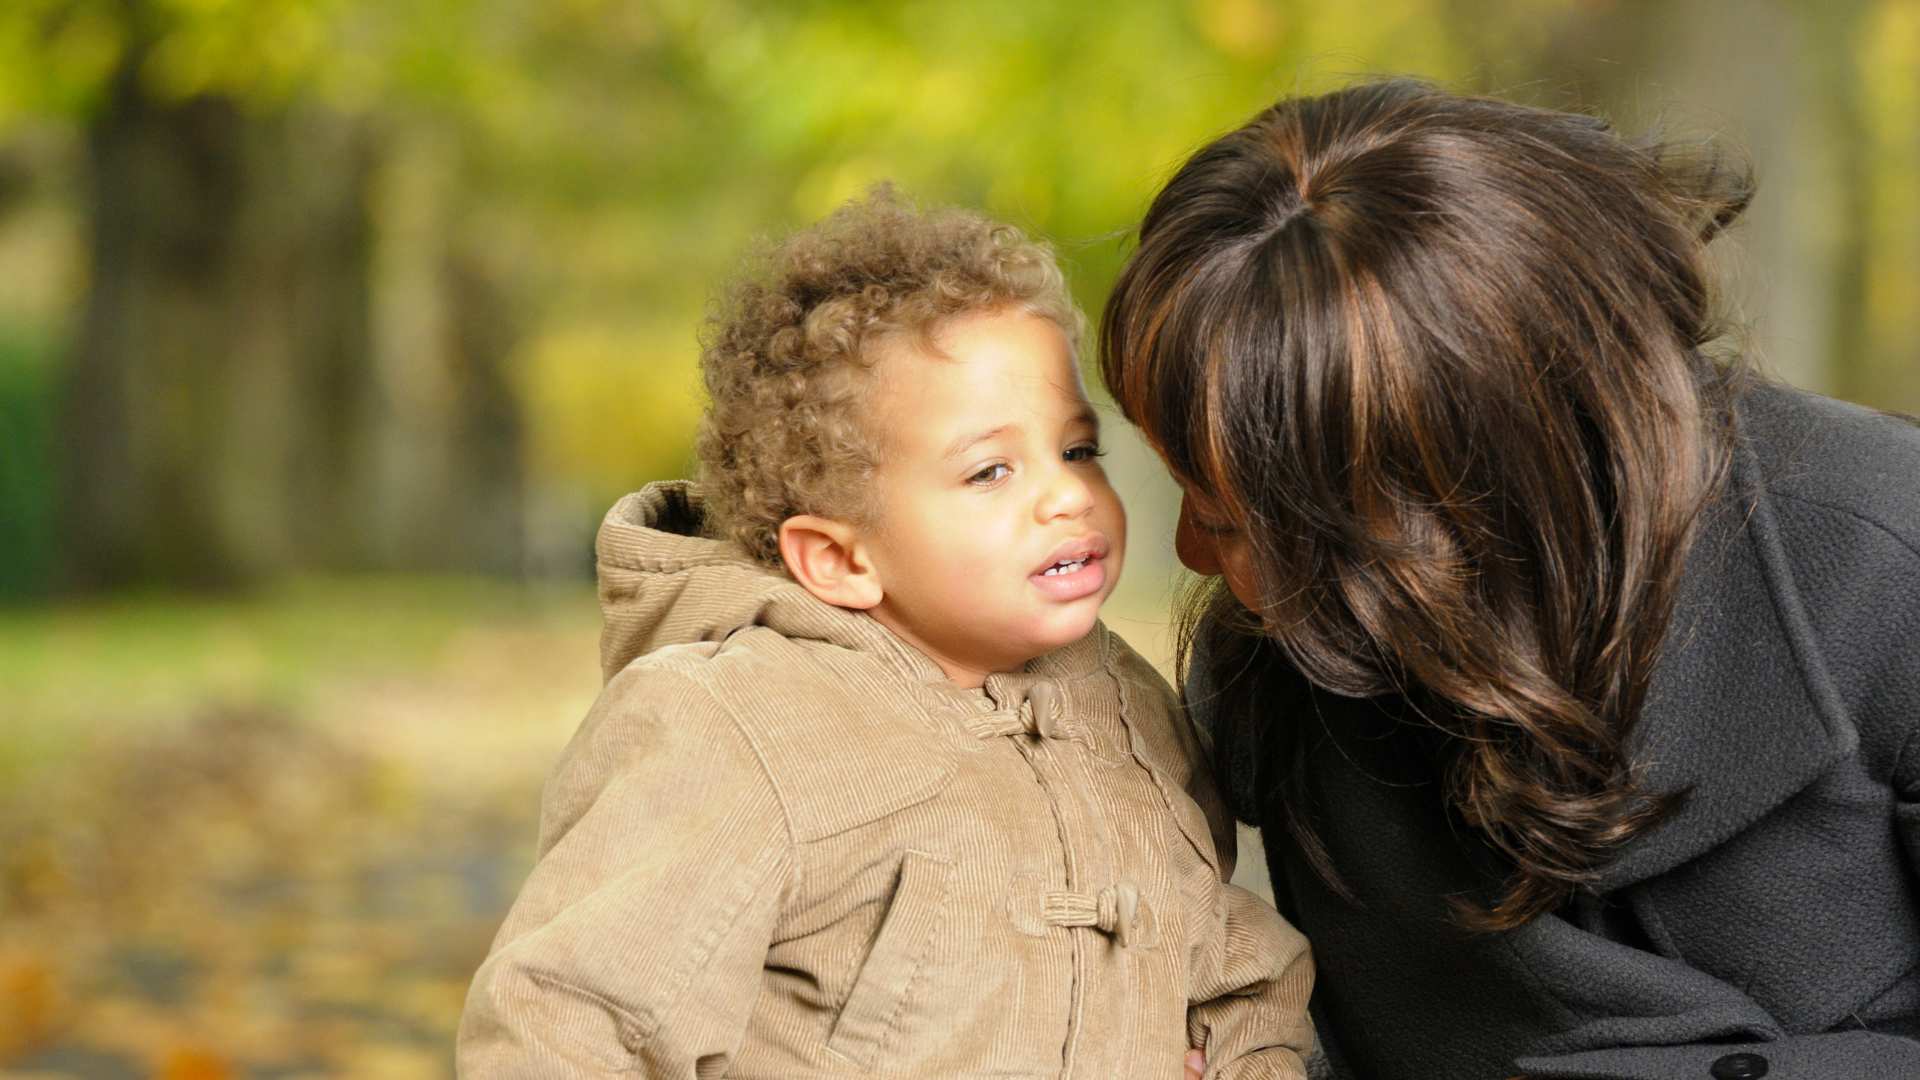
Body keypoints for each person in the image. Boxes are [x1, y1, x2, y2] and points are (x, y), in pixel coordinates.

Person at [1099, 78, 1920, 1080]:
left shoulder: (1885, 557)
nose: (1192, 557)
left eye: (1238, 520)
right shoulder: (1281, 670)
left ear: (1474, 481)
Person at [456, 189, 1315, 1078]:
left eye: (1078, 450)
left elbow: (1237, 967)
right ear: (839, 559)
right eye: (990, 470)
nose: (1067, 496)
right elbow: (568, 1018)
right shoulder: (739, 730)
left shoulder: (1128, 710)